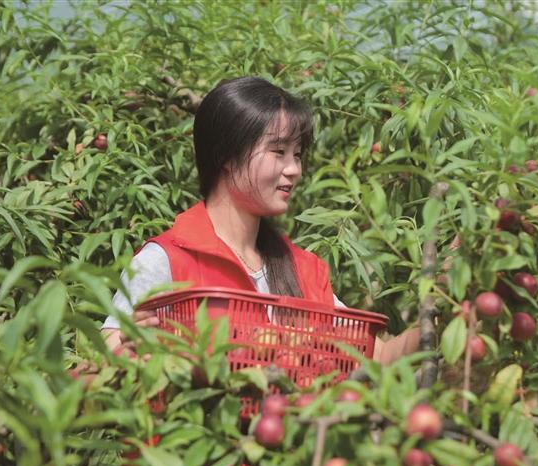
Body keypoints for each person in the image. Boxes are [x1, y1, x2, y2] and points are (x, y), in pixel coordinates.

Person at [100, 76, 419, 365]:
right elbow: (97, 367)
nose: (294, 169)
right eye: (278, 151)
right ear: (227, 156)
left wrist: (440, 308)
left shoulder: (303, 271)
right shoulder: (166, 260)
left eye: (297, 154)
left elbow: (378, 357)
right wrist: (130, 348)